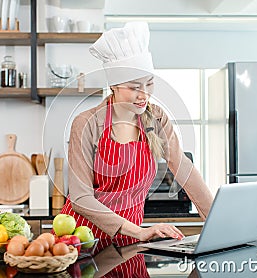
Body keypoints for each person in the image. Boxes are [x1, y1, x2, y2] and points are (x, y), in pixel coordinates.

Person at [61, 22, 213, 243]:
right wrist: (138, 231)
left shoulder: (156, 117)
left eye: (149, 84)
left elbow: (182, 167)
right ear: (113, 86)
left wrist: (215, 220)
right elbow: (80, 197)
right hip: (83, 242)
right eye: (134, 87)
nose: (144, 95)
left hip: (131, 240)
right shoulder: (85, 124)